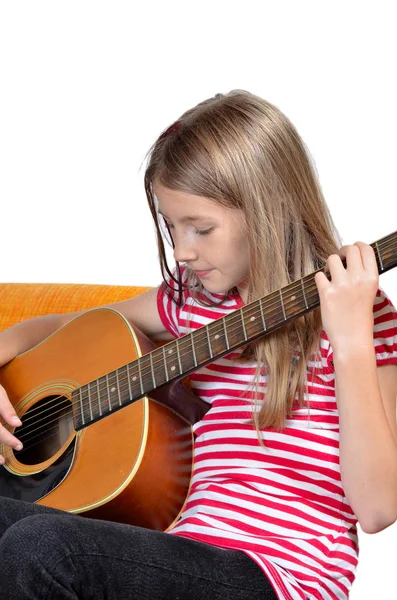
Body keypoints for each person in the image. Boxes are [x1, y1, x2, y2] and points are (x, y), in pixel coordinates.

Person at [0, 90, 396, 600]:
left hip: (280, 577)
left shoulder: (363, 315)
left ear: (267, 209)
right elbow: (50, 329)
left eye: (201, 229)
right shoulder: (190, 304)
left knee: (43, 547)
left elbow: (379, 508)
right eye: (172, 227)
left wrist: (349, 341)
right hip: (176, 559)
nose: (183, 251)